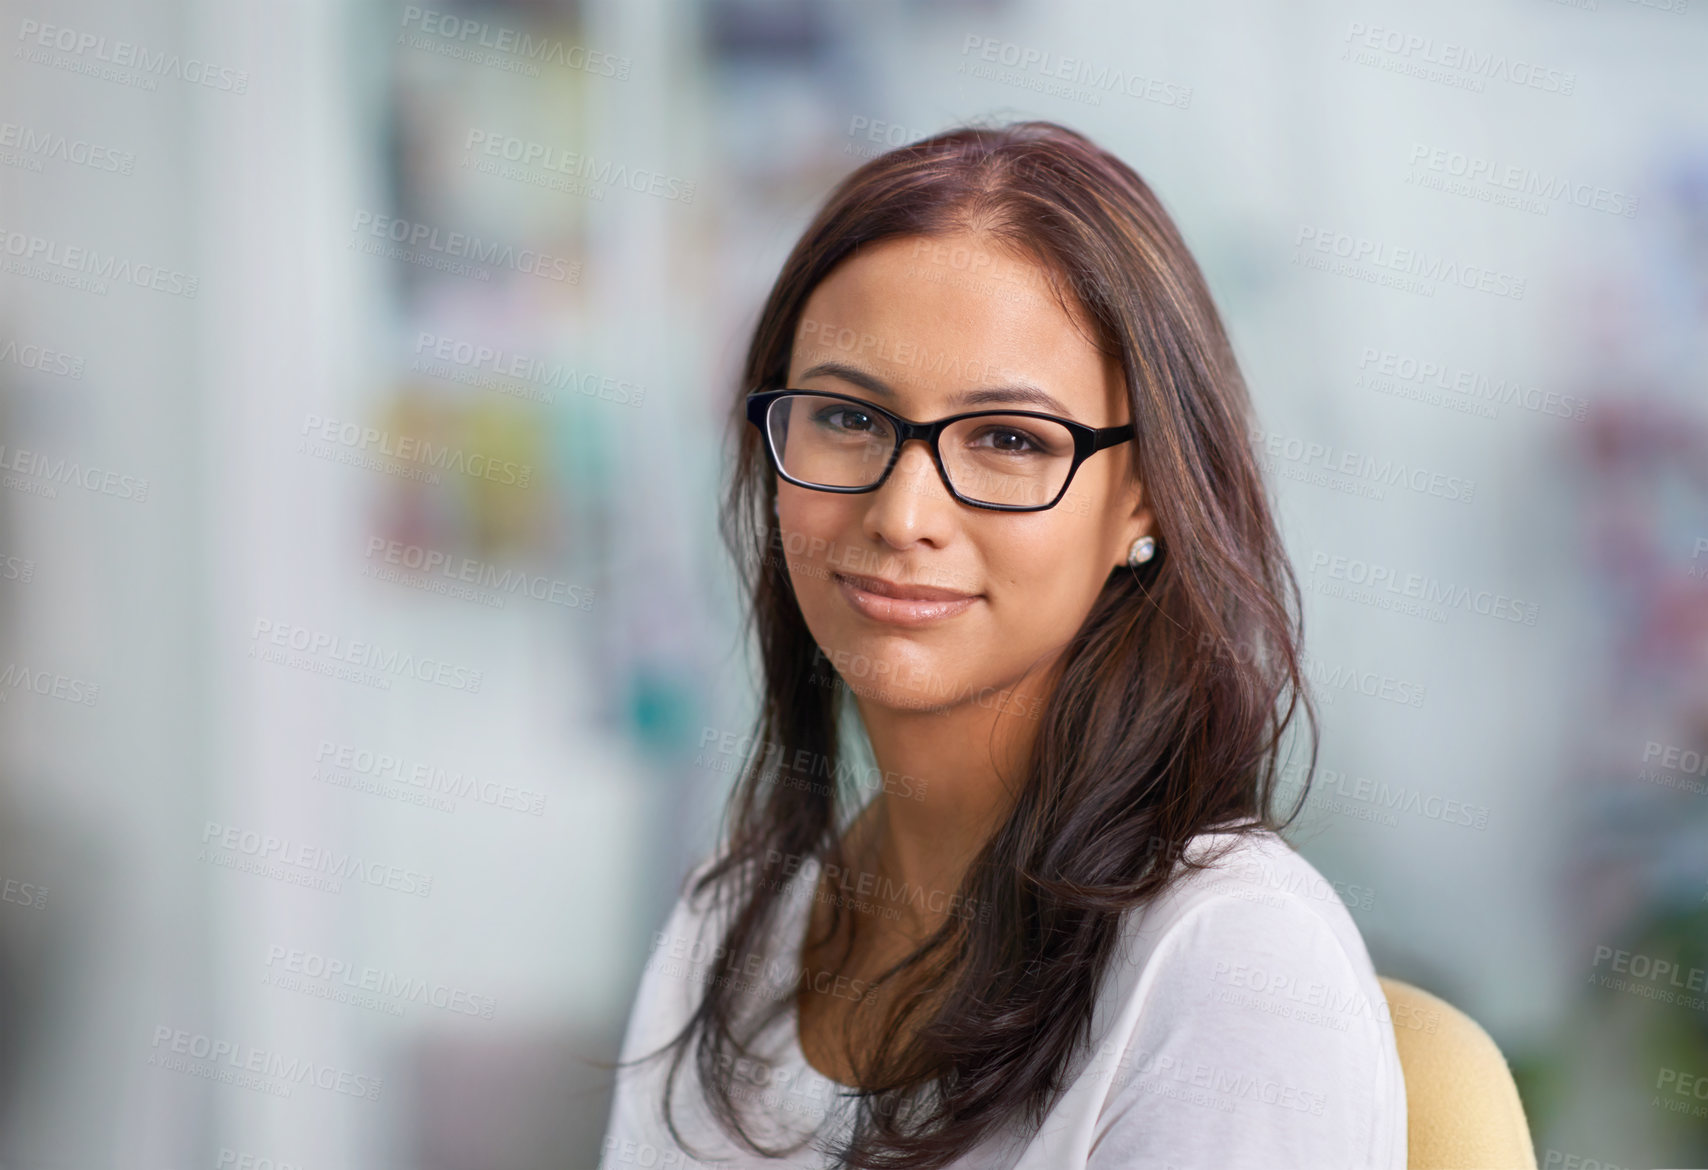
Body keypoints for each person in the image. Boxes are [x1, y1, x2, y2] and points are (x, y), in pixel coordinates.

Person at [598, 119, 1406, 1170]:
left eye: (1011, 439)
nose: (901, 513)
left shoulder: (1228, 963)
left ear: (1145, 499)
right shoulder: (728, 932)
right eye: (845, 417)